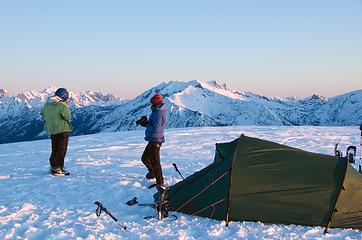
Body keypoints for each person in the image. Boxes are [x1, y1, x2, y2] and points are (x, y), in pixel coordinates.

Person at [41, 88, 72, 175]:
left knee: (54, 149)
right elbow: (67, 117)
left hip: (52, 130)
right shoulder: (63, 105)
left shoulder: (47, 104)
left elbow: (42, 113)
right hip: (63, 130)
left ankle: (53, 166)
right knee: (62, 149)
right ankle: (58, 168)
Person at [138, 93, 167, 186]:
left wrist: (146, 124)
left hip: (156, 140)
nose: (151, 105)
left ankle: (160, 182)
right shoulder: (156, 111)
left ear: (156, 103)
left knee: (155, 162)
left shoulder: (158, 113)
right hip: (153, 139)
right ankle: (153, 173)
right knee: (145, 158)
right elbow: (153, 126)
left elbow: (156, 129)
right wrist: (145, 124)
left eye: (152, 103)